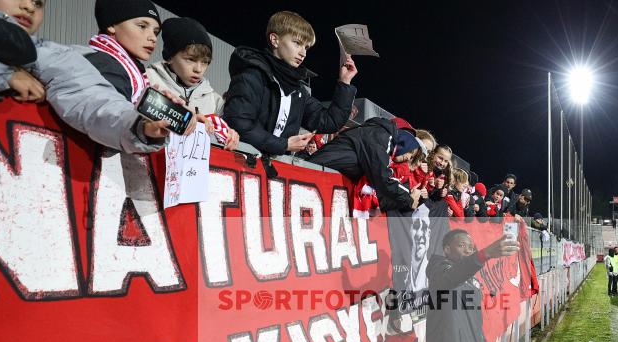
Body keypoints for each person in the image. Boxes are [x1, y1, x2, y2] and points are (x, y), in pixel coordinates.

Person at [0, 0, 177, 154]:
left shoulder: (54, 56)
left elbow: (93, 100)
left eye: (38, 2)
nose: (29, 6)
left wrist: (138, 127)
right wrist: (3, 74)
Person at [222, 10, 357, 156]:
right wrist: (284, 144)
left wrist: (345, 82)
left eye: (306, 47)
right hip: (242, 167)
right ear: (275, 40)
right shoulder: (251, 76)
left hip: (276, 171)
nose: (303, 53)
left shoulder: (298, 90)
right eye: (297, 43)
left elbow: (329, 121)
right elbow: (239, 124)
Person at [145, 17, 239, 149]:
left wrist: (230, 135)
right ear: (170, 56)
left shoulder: (214, 99)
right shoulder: (147, 80)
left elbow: (223, 131)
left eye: (205, 62)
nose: (198, 69)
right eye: (190, 59)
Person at [307, 117, 422, 214]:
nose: (408, 158)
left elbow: (378, 188)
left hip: (316, 179)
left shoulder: (379, 137)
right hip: (307, 174)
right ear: (405, 140)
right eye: (410, 152)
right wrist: (408, 198)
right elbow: (382, 178)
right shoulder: (380, 135)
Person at [86, 0, 163, 104]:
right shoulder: (105, 65)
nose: (153, 38)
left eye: (155, 32)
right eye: (142, 26)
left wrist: (157, 107)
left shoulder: (118, 65)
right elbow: (112, 115)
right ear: (111, 25)